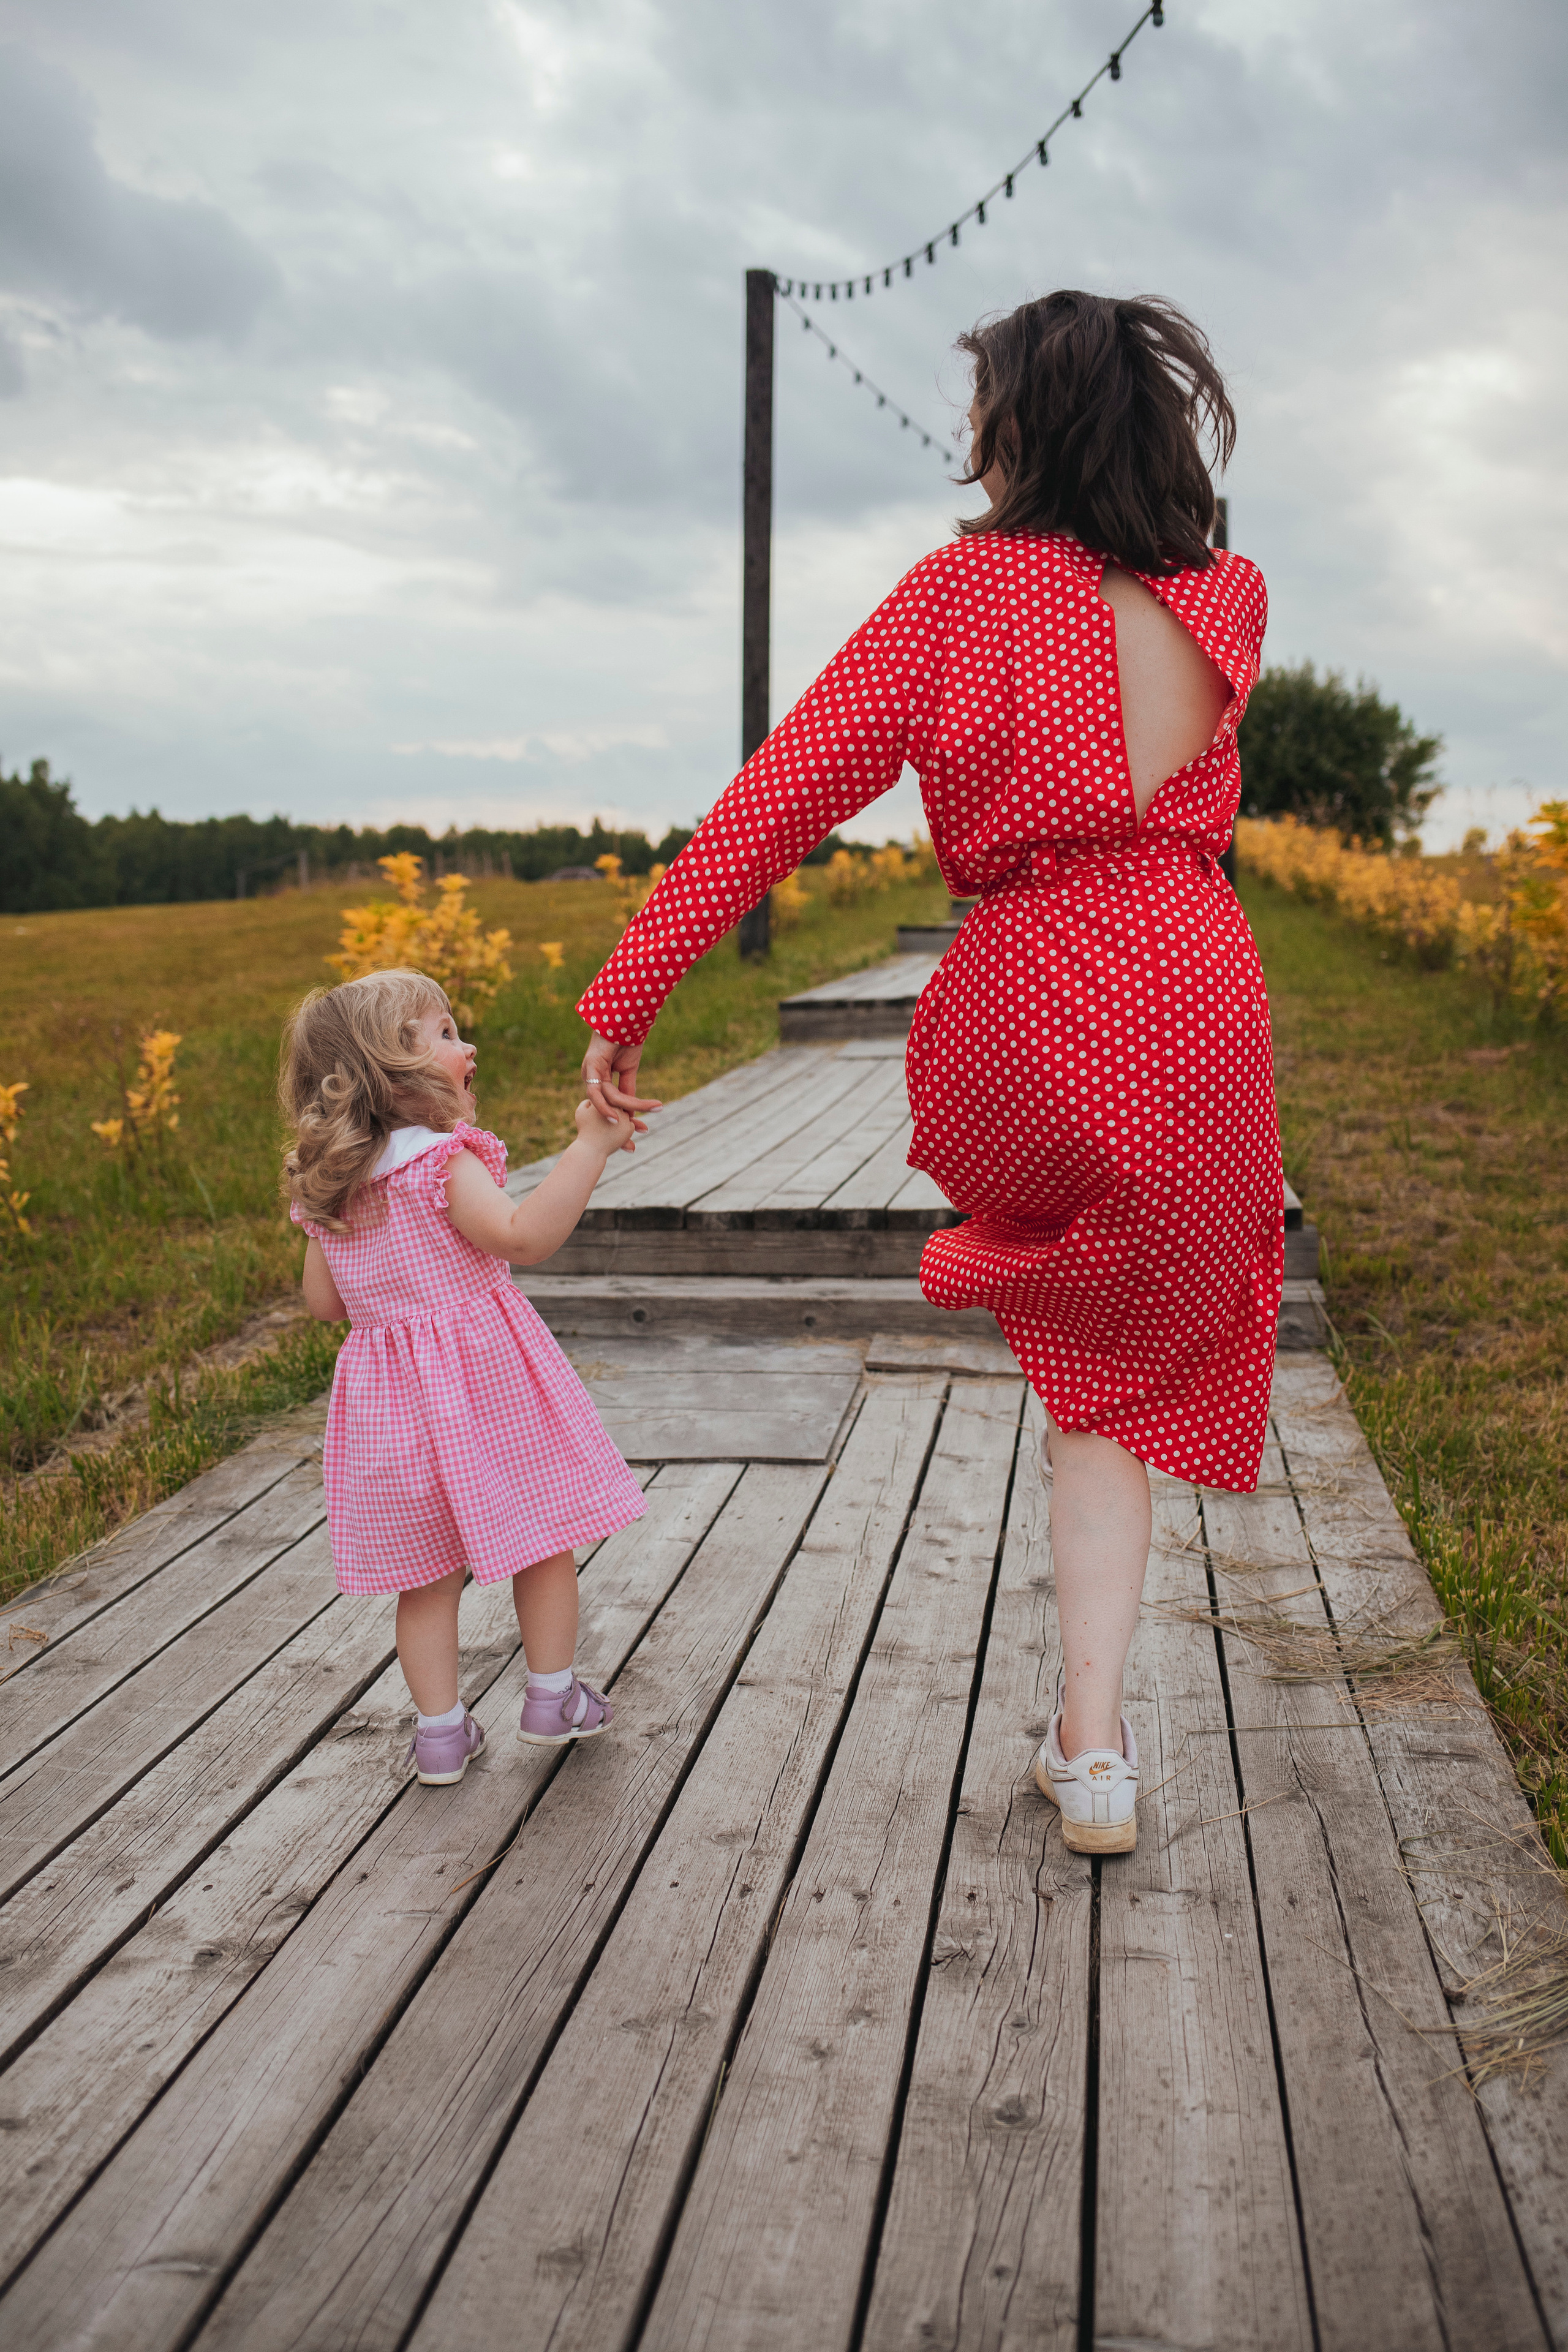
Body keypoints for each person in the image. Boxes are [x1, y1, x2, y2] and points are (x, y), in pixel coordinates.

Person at [575, 290, 1280, 1859]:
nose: (967, 434)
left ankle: (1084, 1740)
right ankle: (1093, 1747)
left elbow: (781, 793)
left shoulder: (957, 596)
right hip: (1193, 986)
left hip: (1031, 993)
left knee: (1075, 1347)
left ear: (1020, 420)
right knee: (1114, 1384)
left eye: (981, 406)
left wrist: (633, 989)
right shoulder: (1222, 594)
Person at [282, 967, 649, 1785]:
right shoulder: (442, 1164)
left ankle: (441, 1735)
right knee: (543, 1536)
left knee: (426, 1577)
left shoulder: (336, 1189)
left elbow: (321, 1305)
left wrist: (332, 1232)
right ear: (391, 1068)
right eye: (443, 1034)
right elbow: (520, 1237)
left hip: (392, 1408)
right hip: (487, 1383)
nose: (467, 1043)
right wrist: (589, 1147)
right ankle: (552, 1698)